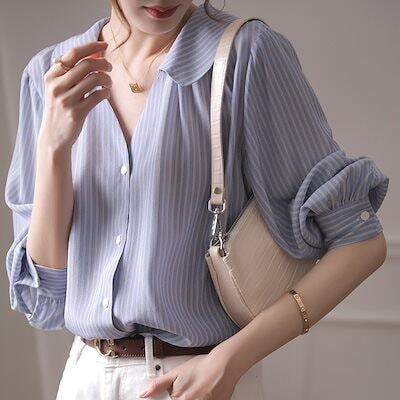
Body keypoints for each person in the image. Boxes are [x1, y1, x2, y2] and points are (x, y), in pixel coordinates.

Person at [4, 1, 389, 399]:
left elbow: (360, 242)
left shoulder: (246, 54)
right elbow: (49, 290)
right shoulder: (51, 73)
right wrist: (53, 147)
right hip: (84, 378)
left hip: (195, 379)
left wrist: (231, 360)